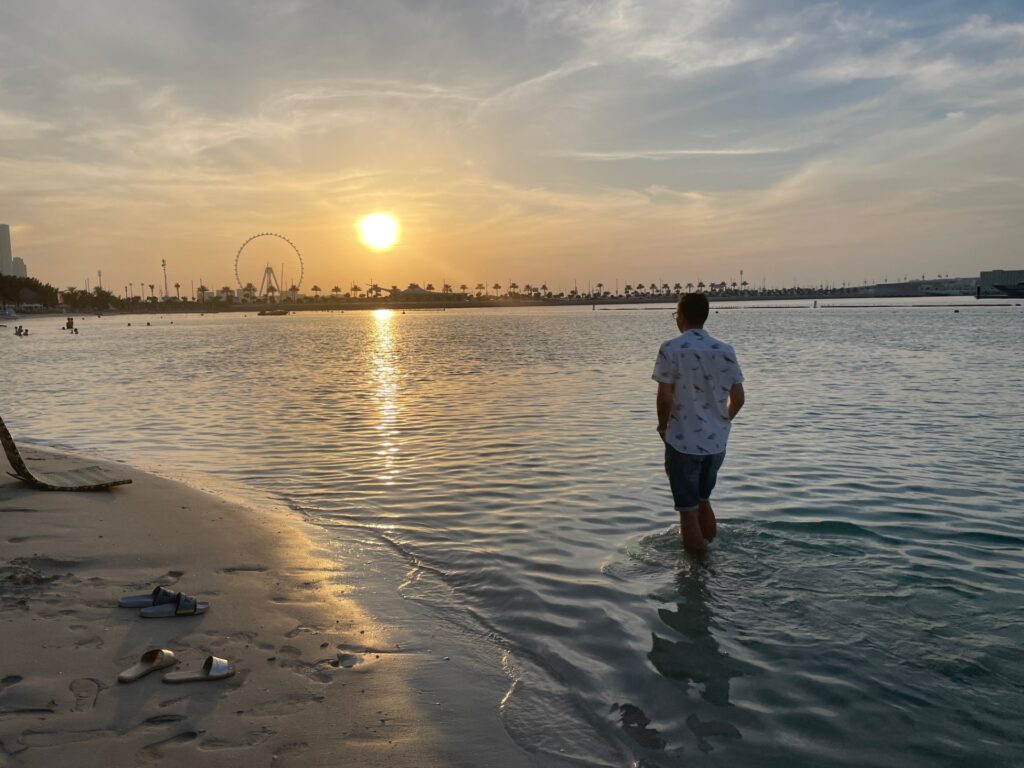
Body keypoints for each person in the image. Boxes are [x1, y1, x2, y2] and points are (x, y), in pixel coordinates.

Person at [653, 293, 745, 553]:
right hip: (716, 443)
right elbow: (738, 398)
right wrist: (722, 422)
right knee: (703, 500)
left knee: (687, 511)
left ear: (680, 316)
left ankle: (698, 574)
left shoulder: (671, 348)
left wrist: (662, 427)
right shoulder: (725, 350)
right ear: (704, 316)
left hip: (682, 442)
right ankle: (712, 553)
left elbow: (664, 397)